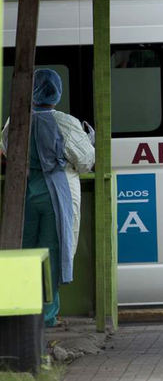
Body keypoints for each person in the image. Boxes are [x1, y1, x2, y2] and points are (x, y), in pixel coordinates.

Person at [1, 69, 95, 326]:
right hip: (58, 194)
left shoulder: (15, 121)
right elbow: (86, 162)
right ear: (57, 92)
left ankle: (23, 315)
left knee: (27, 251)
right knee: (52, 255)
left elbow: (8, 151)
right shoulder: (66, 122)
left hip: (26, 192)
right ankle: (48, 316)